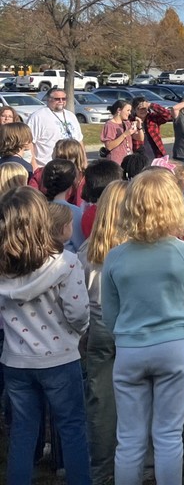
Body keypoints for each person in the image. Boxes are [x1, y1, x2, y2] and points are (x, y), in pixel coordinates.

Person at [101, 168, 184, 484]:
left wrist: (125, 337)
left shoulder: (116, 256)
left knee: (130, 438)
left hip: (130, 348)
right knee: (168, 435)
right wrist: (183, 339)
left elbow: (110, 313)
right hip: (174, 346)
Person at [0, 186, 91, 485]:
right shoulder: (65, 262)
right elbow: (78, 312)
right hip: (60, 359)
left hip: (16, 361)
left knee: (23, 433)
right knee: (73, 429)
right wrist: (78, 333)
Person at [80, 179, 130, 484]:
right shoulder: (133, 249)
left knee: (100, 399)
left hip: (98, 325)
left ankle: (100, 469)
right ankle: (142, 464)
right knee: (138, 395)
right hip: (128, 324)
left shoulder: (88, 249)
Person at [26, 86, 83, 166]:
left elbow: (79, 140)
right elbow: (29, 143)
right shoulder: (38, 116)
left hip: (71, 167)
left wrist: (83, 162)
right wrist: (34, 166)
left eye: (64, 99)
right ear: (49, 99)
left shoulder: (71, 116)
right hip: (46, 166)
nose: (61, 101)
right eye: (57, 99)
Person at [102, 99, 139, 166]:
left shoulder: (127, 123)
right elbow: (109, 146)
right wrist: (125, 134)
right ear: (119, 110)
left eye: (130, 111)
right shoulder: (110, 125)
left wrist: (139, 127)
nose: (130, 113)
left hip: (128, 162)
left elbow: (140, 138)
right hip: (116, 163)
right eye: (128, 110)